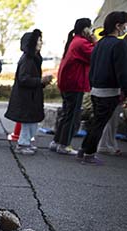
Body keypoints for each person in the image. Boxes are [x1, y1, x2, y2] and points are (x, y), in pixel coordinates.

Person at [78, 11, 127, 165]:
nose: (125, 29)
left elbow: (93, 68)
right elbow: (122, 71)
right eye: (124, 26)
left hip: (96, 89)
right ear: (118, 26)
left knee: (95, 122)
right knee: (99, 124)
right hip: (110, 91)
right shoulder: (119, 44)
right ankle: (89, 154)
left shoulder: (100, 44)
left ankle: (83, 150)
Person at [50, 18, 96, 155]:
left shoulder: (75, 41)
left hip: (68, 83)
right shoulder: (82, 43)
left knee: (66, 114)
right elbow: (96, 55)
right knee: (72, 116)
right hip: (75, 84)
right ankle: (64, 145)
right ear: (85, 29)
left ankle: (57, 141)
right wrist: (94, 40)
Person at [4, 29, 53, 155]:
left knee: (31, 121)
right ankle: (22, 144)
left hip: (31, 96)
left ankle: (26, 143)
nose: (41, 43)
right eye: (39, 40)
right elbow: (23, 79)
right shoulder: (27, 59)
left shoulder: (33, 58)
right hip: (26, 97)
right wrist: (40, 81)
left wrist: (41, 82)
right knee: (27, 122)